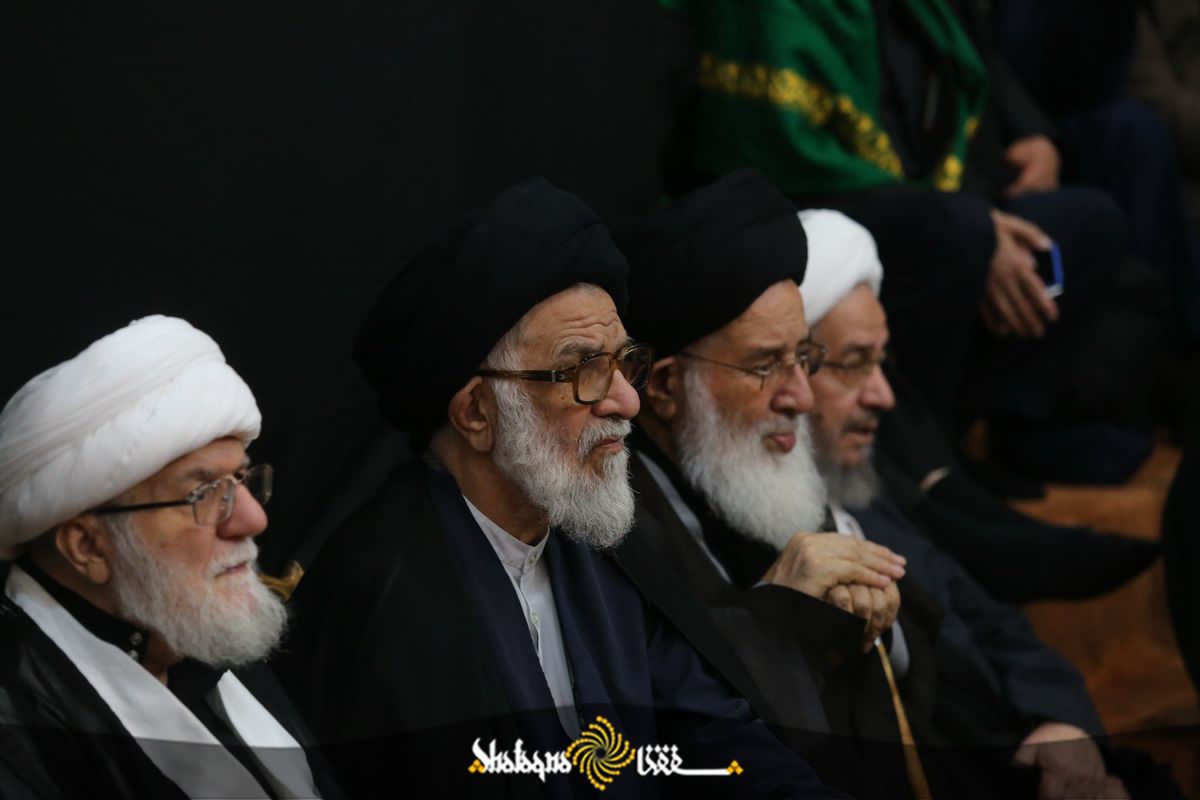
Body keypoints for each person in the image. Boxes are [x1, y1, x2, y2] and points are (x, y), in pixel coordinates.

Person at [274, 177, 845, 799]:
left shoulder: (597, 547)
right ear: (476, 413)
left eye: (623, 362)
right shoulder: (386, 600)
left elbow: (712, 741)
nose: (626, 401)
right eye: (583, 371)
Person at [617, 183, 1172, 798]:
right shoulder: (632, 548)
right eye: (765, 365)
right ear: (663, 388)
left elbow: (971, 616)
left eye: (804, 359)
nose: (799, 395)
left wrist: (1058, 725)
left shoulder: (788, 487)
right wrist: (781, 622)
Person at [660, 0, 1150, 485]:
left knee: (1088, 223)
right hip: (804, 194)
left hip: (937, 188)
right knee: (958, 232)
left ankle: (1004, 432)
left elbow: (974, 57)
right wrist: (978, 219)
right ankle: (930, 466)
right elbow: (783, 146)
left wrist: (1032, 133)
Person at [0, 315, 343, 800]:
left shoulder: (195, 626)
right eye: (203, 493)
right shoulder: (21, 733)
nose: (252, 519)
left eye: (241, 481)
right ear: (88, 547)